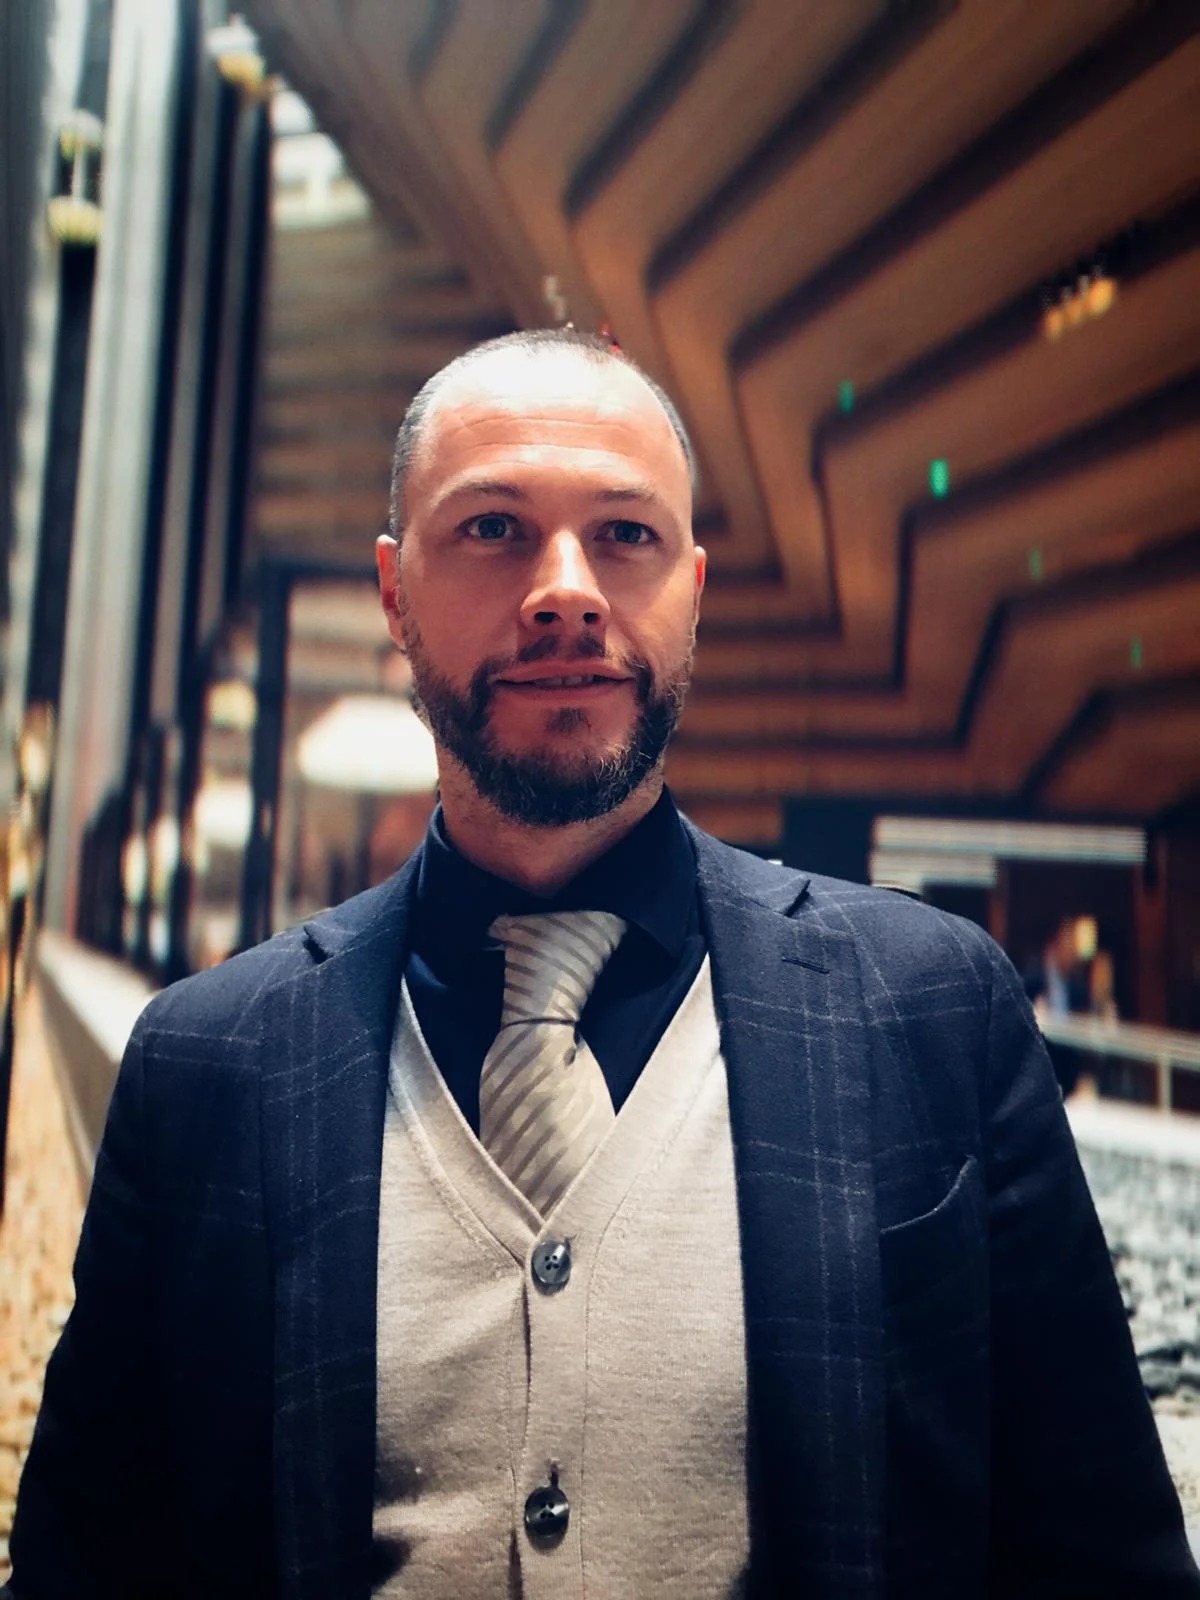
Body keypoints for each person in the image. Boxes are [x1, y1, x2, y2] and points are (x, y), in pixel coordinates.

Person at [6, 329, 1198, 1600]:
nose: (564, 589)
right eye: (492, 530)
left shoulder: (935, 1005)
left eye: (624, 535)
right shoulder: (206, 1060)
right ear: (395, 592)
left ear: (693, 591)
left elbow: (1105, 1563)